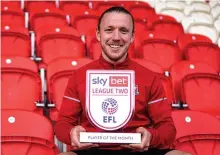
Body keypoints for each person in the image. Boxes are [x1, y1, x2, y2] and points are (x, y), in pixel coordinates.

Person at [55, 6, 191, 155]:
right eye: (109, 30)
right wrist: (71, 133)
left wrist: (150, 137)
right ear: (98, 34)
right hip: (93, 149)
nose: (116, 37)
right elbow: (62, 125)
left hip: (137, 150)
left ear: (132, 37)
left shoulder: (149, 78)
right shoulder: (80, 76)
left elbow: (168, 129)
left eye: (124, 31)